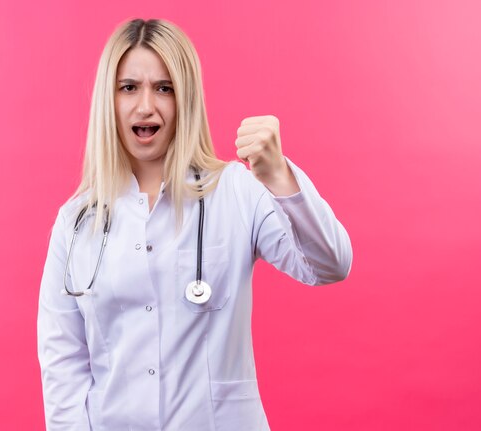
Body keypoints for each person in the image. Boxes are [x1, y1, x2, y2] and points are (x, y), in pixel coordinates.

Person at [37, 18, 352, 431]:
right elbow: (63, 361)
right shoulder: (76, 221)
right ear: (108, 100)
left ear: (185, 99)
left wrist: (278, 176)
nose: (145, 105)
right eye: (128, 87)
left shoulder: (236, 191)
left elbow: (329, 265)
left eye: (164, 88)